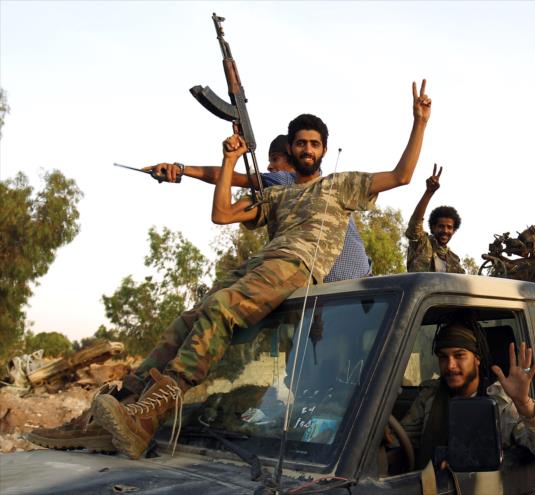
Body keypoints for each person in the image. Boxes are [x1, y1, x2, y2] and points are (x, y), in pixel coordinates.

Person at [33, 80, 433, 460]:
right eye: (300, 143)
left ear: (323, 149)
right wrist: (229, 160)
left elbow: (401, 176)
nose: (306, 148)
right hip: (262, 261)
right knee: (187, 321)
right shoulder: (277, 194)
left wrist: (419, 123)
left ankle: (150, 416)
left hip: (298, 262)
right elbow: (222, 214)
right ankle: (116, 410)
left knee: (224, 307)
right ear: (291, 149)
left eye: (314, 143)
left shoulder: (342, 185)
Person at [142, 134, 371, 283]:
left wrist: (181, 169)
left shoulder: (286, 181)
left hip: (338, 284)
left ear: (292, 158)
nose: (270, 166)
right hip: (358, 277)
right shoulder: (320, 189)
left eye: (275, 159)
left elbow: (232, 177)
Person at [400, 322, 535, 469]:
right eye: (443, 357)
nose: (450, 365)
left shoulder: (499, 402)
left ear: (477, 359)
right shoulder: (430, 397)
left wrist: (523, 403)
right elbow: (402, 441)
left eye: (459, 355)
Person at [405, 164, 464, 273]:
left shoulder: (454, 260)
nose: (445, 231)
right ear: (433, 227)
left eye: (449, 227)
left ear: (454, 230)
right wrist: (428, 192)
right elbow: (415, 225)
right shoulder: (422, 244)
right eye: (441, 226)